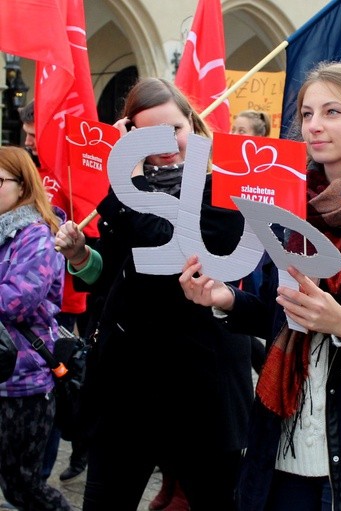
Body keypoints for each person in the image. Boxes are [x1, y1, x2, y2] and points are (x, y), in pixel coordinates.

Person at [178, 61, 341, 510]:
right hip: (283, 448)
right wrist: (228, 300)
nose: (315, 126)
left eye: (333, 112)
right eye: (306, 114)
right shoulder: (291, 205)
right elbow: (280, 315)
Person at [54, 77, 254, 511]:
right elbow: (114, 276)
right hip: (129, 389)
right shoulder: (130, 189)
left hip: (200, 389)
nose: (167, 144)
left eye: (175, 129)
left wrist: (127, 185)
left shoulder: (223, 187)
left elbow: (175, 256)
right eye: (148, 134)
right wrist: (80, 255)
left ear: (193, 125)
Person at [19, 99, 91, 483]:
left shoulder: (67, 169)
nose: (31, 141)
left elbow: (84, 223)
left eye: (36, 134)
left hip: (63, 294)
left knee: (61, 375)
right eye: (28, 134)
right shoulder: (26, 170)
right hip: (32, 297)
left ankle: (49, 466)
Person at [0, 146, 71, 510]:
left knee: (23, 485)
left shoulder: (37, 236)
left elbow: (15, 299)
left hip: (22, 381)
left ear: (23, 187)